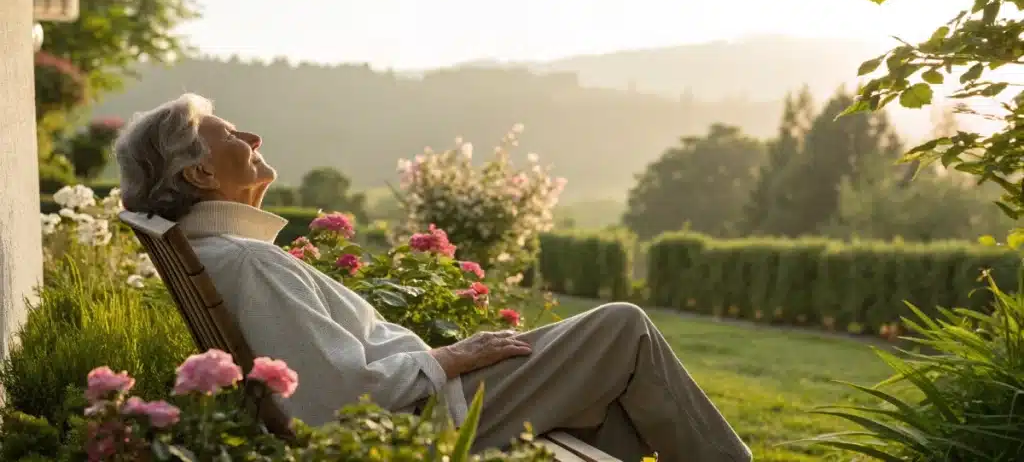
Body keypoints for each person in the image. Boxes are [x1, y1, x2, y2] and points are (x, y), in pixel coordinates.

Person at [114, 93, 752, 462]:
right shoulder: (247, 262)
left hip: (428, 399)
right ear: (199, 175)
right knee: (622, 328)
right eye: (228, 133)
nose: (250, 134)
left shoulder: (227, 253)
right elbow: (339, 393)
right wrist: (452, 356)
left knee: (609, 399)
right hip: (424, 416)